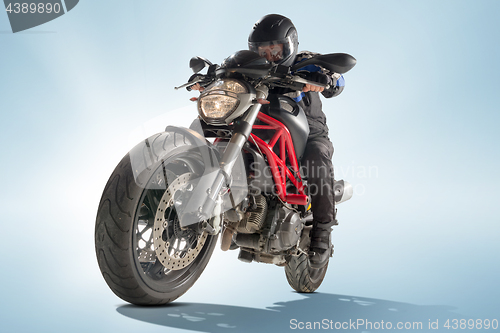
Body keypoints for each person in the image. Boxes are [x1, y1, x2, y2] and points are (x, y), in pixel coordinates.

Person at [192, 14, 346, 269]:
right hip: (257, 127)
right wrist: (210, 77)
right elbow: (228, 71)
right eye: (262, 51)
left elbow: (336, 79)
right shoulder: (251, 67)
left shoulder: (304, 61)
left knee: (318, 158)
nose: (269, 57)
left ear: (290, 46)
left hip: (308, 133)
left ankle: (322, 232)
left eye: (275, 50)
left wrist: (327, 80)